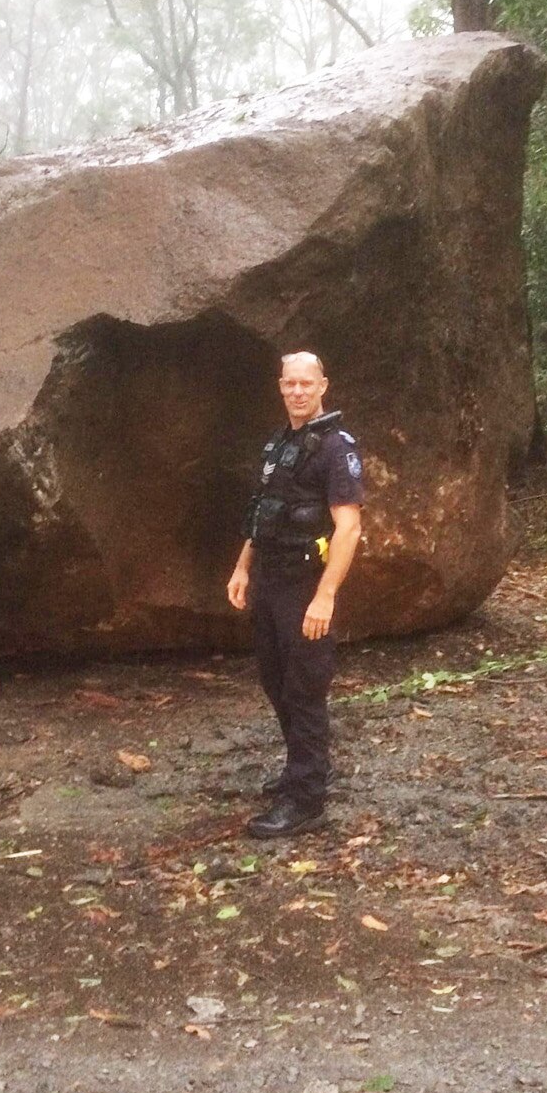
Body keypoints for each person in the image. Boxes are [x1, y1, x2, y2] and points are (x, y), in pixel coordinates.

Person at [227, 351, 363, 837]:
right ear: (281, 387)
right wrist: (243, 567)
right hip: (269, 577)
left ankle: (306, 801)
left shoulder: (335, 448)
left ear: (323, 384)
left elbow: (348, 528)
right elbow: (265, 513)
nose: (299, 391)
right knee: (276, 680)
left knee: (305, 687)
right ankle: (305, 769)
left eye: (307, 383)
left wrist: (325, 597)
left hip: (306, 584)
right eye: (290, 384)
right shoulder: (279, 444)